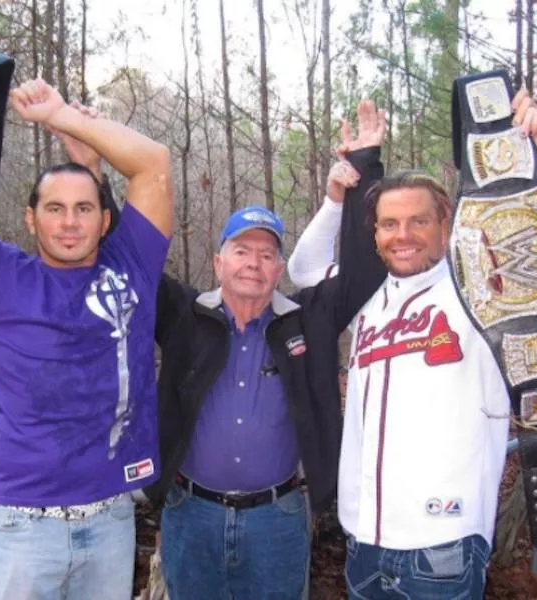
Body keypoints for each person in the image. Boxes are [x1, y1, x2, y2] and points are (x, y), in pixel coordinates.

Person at [0, 27, 173, 600]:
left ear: (104, 219)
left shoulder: (130, 266)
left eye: (84, 208)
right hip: (20, 526)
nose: (69, 221)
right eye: (54, 209)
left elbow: (153, 164)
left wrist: (62, 117)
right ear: (31, 219)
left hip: (110, 522)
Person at [287, 90, 537, 599]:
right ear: (374, 233)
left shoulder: (481, 292)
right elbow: (302, 270)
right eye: (389, 223)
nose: (402, 235)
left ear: (445, 224)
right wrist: (335, 200)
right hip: (365, 540)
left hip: (443, 544)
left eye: (418, 221)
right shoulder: (367, 297)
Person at [144, 101, 387, 600]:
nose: (253, 263)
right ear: (218, 261)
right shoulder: (183, 316)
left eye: (266, 253)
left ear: (280, 268)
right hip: (191, 515)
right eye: (241, 250)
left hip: (277, 520)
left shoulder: (306, 321)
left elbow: (365, 272)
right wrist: (90, 166)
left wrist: (363, 166)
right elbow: (131, 256)